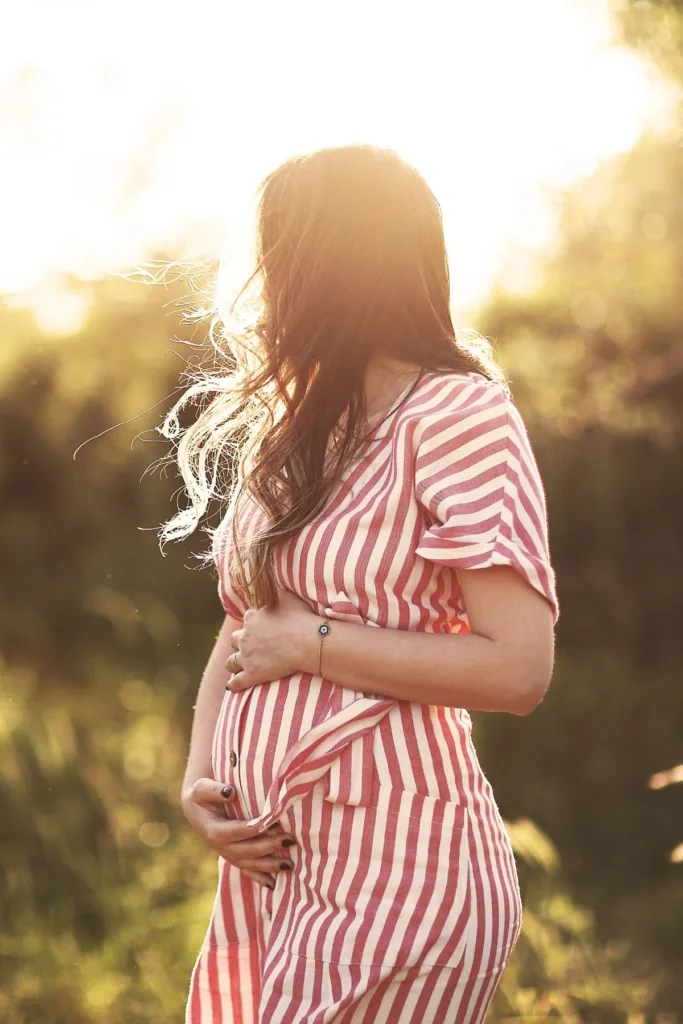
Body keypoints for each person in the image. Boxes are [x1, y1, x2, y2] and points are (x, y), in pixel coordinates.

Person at [163, 145, 558, 1023]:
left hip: (401, 870)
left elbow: (517, 670)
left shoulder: (457, 414)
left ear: (327, 268)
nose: (264, 287)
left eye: (279, 257)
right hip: (284, 872)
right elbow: (242, 628)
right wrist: (200, 780)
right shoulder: (297, 431)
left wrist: (315, 642)